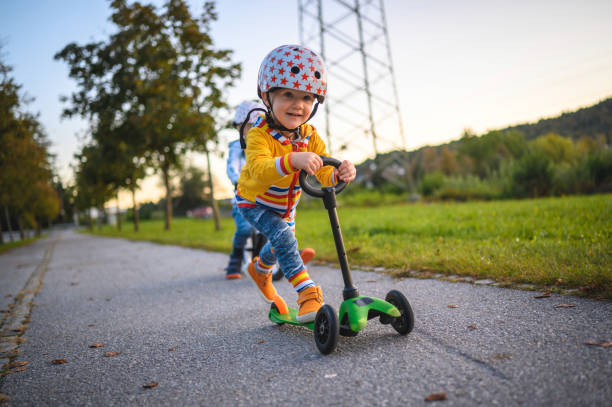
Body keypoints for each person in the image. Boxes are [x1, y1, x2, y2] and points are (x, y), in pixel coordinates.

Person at [236, 44, 357, 323]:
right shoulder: (259, 136)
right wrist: (293, 160)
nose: (298, 105)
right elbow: (259, 170)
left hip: (286, 205)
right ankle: (307, 293)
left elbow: (323, 171)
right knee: (283, 236)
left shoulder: (309, 135)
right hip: (254, 202)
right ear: (267, 96)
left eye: (306, 97)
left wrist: (340, 173)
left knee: (281, 240)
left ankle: (261, 269)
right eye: (288, 95)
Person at [224, 101, 265, 279]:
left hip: (265, 197)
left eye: (256, 125)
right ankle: (236, 258)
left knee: (280, 223)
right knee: (245, 229)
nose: (253, 129)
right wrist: (238, 180)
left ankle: (281, 254)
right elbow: (231, 167)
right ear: (239, 127)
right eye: (248, 126)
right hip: (243, 198)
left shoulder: (265, 145)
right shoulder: (236, 147)